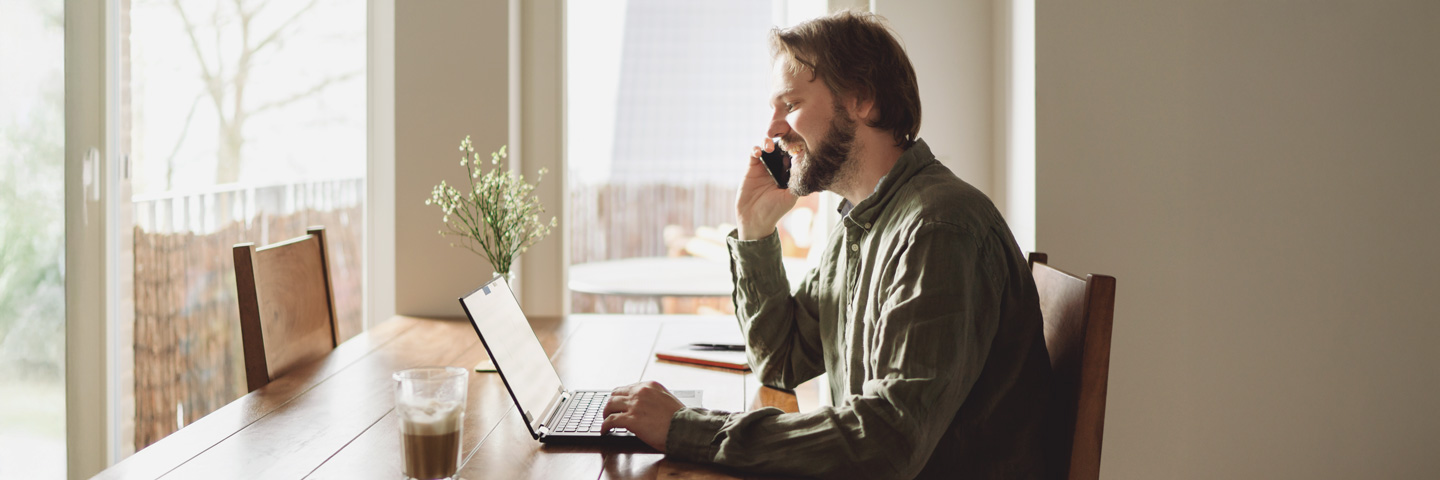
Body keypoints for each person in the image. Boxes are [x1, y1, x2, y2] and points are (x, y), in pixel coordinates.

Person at [601, 10, 1051, 479]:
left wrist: (687, 429)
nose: (773, 129)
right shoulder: (861, 223)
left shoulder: (938, 229)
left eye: (790, 104)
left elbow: (886, 444)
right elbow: (781, 360)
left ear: (862, 99)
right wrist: (755, 229)